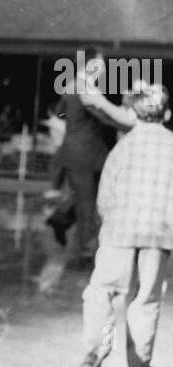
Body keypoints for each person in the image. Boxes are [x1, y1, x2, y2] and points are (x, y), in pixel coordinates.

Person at [78, 83, 173, 367]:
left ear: (133, 113)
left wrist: (104, 226)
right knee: (146, 300)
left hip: (119, 231)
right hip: (159, 235)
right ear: (167, 114)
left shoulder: (123, 147)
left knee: (102, 290)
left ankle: (96, 347)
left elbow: (105, 195)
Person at [46, 51, 119, 259]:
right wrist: (127, 119)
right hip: (85, 154)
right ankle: (87, 248)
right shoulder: (84, 87)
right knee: (88, 201)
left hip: (83, 152)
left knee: (88, 196)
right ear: (91, 65)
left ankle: (60, 219)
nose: (104, 68)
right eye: (101, 64)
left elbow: (60, 111)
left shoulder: (72, 85)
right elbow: (103, 117)